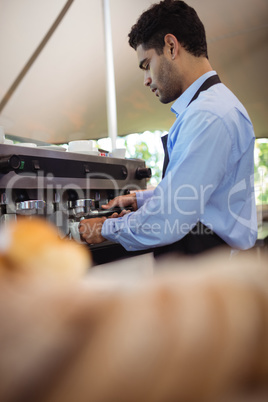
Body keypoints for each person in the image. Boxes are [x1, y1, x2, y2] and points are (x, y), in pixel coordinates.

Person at [79, 0, 257, 256]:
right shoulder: (216, 106)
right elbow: (199, 195)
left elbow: (168, 220)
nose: (146, 80)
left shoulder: (208, 115)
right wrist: (141, 199)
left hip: (208, 270)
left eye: (147, 64)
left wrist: (105, 227)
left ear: (171, 47)